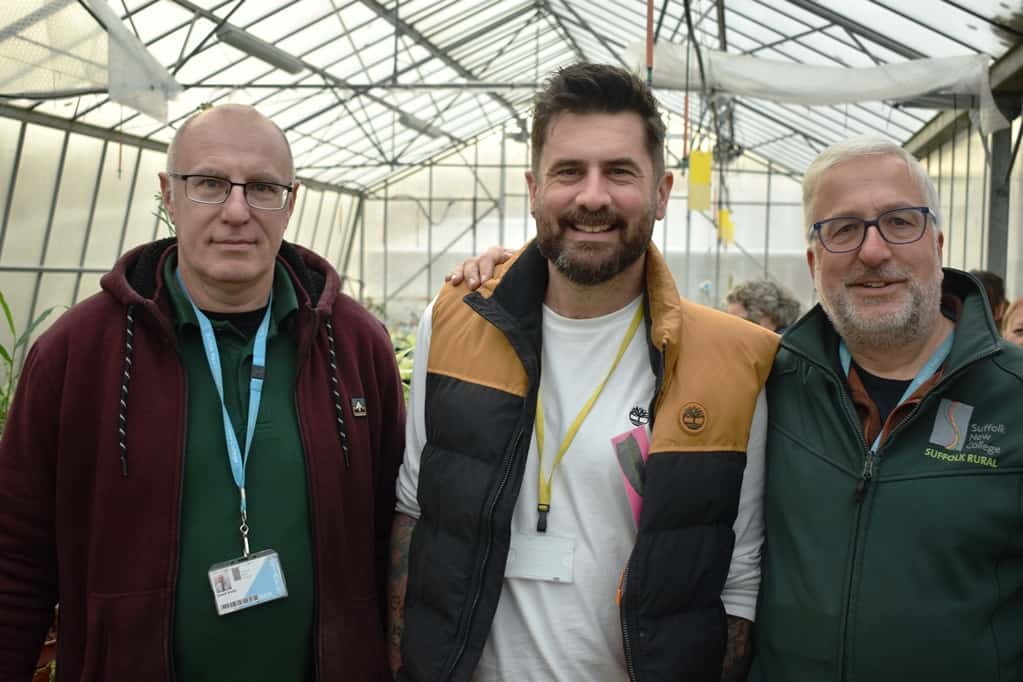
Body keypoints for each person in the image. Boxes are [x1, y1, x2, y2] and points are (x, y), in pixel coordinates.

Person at [388, 63, 778, 682]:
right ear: (533, 187)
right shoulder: (457, 324)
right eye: (568, 171)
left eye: (620, 172)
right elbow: (414, 510)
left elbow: (739, 577)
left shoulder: (733, 362)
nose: (592, 196)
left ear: (663, 191)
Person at [0, 104, 405, 681]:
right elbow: (15, 558)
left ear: (291, 201)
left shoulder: (356, 345)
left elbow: (395, 533)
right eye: (211, 184)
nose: (237, 211)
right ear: (169, 193)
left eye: (263, 187)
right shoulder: (78, 353)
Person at [748, 136, 1023, 681]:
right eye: (844, 229)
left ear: (938, 246)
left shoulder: (1013, 397)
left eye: (900, 222)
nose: (873, 251)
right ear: (813, 260)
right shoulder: (765, 384)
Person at [724, 278, 801, 332]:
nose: (733, 331)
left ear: (772, 316)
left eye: (745, 323)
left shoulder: (789, 351)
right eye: (729, 323)